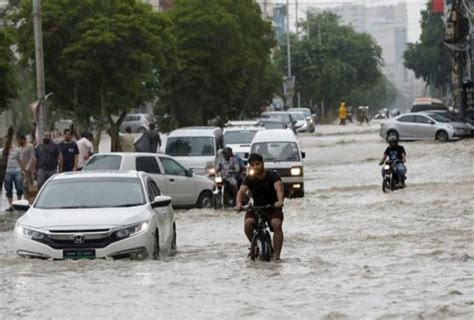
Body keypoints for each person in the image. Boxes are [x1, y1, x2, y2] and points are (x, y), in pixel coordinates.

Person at [234, 153, 285, 260]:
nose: (255, 167)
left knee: (276, 224)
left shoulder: (273, 175)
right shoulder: (249, 178)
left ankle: (276, 255)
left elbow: (279, 188)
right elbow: (241, 192)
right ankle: (255, 246)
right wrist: (239, 204)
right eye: (253, 165)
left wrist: (280, 201)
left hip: (272, 207)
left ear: (263, 164)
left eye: (258, 164)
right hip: (256, 208)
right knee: (248, 224)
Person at [4, 135, 24, 211]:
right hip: (7, 172)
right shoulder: (2, 151)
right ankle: (11, 206)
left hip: (17, 170)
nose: (7, 142)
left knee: (19, 187)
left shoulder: (17, 150)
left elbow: (20, 160)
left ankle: (18, 202)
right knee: (8, 189)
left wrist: (22, 170)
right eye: (5, 141)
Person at [17, 134, 35, 199]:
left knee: (31, 187)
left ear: (23, 140)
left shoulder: (29, 146)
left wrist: (27, 168)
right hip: (23, 171)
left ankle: (32, 202)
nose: (18, 142)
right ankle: (26, 202)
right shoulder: (20, 148)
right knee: (24, 187)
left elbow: (32, 158)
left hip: (29, 171)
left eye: (19, 140)